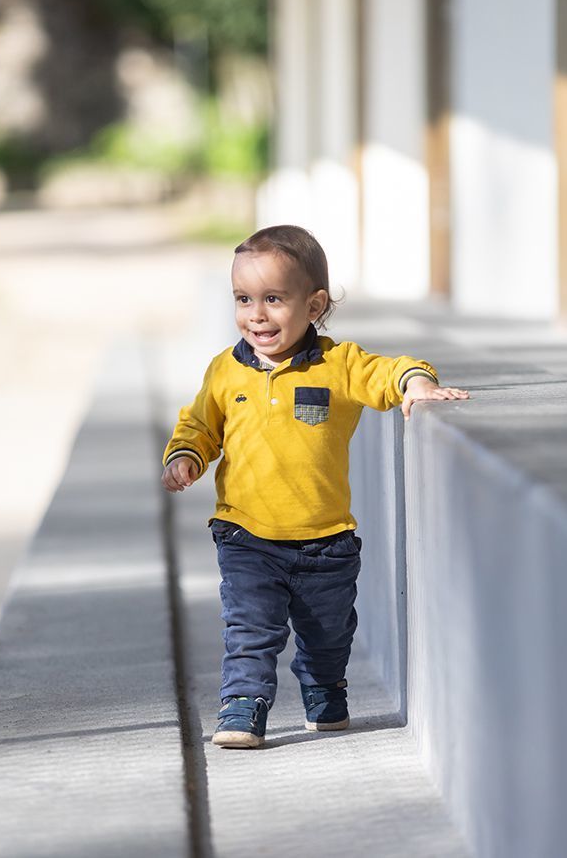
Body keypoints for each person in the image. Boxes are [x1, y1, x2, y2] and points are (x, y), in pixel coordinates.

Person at [161, 224, 469, 749]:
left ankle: (324, 685)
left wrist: (418, 383)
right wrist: (186, 456)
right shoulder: (225, 371)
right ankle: (242, 706)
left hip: (326, 541)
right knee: (250, 630)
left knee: (328, 634)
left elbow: (389, 372)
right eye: (244, 299)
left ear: (314, 303)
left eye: (274, 299)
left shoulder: (338, 365)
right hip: (246, 535)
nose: (256, 314)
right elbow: (199, 425)